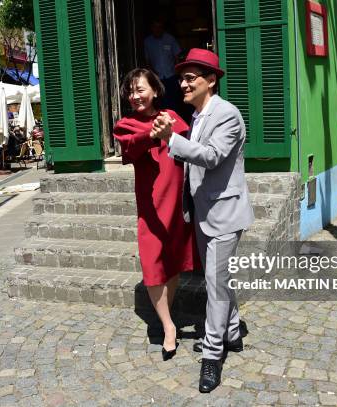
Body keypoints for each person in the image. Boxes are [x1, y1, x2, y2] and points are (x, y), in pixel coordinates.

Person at [151, 49, 254, 393]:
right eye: (181, 77)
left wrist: (171, 139)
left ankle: (213, 355)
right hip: (204, 212)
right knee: (218, 279)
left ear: (211, 80)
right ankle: (234, 332)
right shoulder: (197, 115)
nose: (182, 83)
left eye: (190, 77)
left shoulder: (228, 114)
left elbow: (211, 157)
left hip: (225, 214)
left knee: (213, 281)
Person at [113, 68, 200, 361]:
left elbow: (193, 148)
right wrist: (154, 135)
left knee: (173, 262)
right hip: (150, 207)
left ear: (155, 91)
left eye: (141, 89)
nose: (135, 96)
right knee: (152, 269)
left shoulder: (173, 116)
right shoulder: (125, 125)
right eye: (131, 91)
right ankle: (168, 326)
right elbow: (132, 146)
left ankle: (168, 311)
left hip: (177, 202)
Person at [144, 20, 182, 111]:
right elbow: (147, 60)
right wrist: (152, 73)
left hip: (171, 75)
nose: (157, 29)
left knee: (173, 101)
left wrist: (177, 72)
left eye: (160, 27)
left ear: (163, 28)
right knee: (159, 101)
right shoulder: (147, 41)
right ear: (152, 28)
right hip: (157, 77)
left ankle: (174, 121)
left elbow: (177, 56)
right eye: (155, 27)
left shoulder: (170, 39)